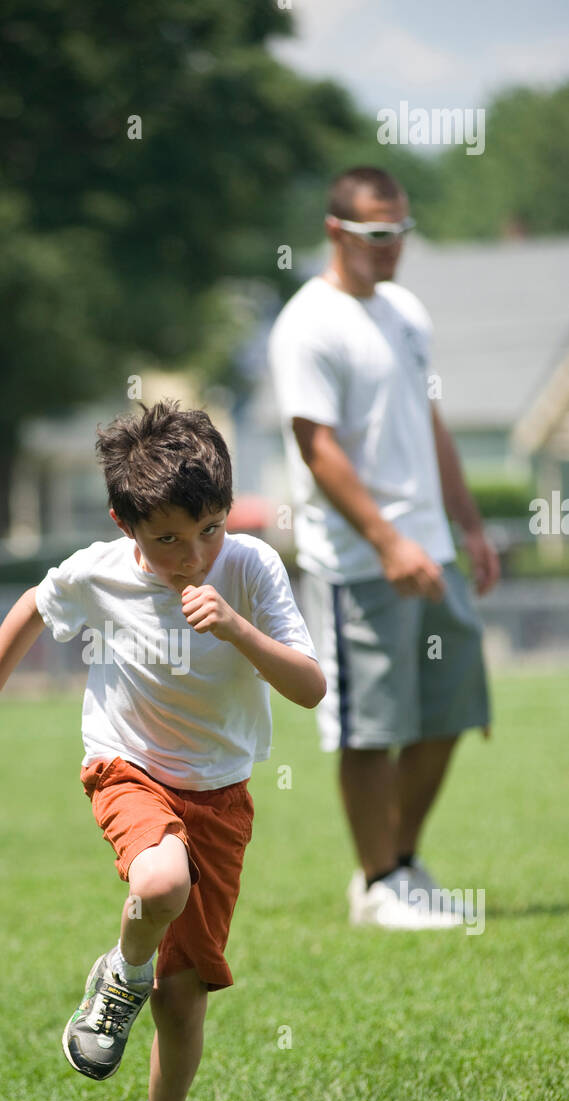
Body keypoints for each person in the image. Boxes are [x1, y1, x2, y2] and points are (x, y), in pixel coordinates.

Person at [0, 401, 325, 1101]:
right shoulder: (100, 569)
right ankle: (119, 976)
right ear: (124, 525)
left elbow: (309, 688)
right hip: (126, 768)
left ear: (225, 512)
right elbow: (35, 603)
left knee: (184, 999)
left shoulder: (249, 570)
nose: (190, 554)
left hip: (221, 796)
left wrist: (237, 629)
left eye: (206, 528)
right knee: (160, 884)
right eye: (165, 538)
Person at [268, 166, 500, 930]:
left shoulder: (404, 311)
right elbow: (317, 448)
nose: (393, 246)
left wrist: (467, 525)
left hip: (431, 550)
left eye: (400, 230)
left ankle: (398, 865)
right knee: (371, 728)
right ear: (336, 232)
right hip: (362, 561)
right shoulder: (307, 324)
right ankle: (376, 882)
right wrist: (387, 540)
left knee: (449, 707)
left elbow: (427, 423)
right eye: (376, 234)